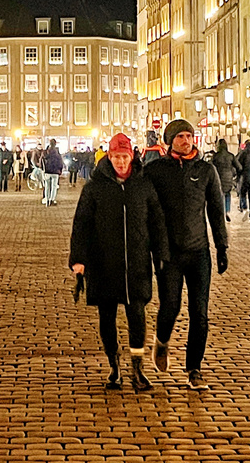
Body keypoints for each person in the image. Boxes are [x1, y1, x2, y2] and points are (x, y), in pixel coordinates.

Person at [70, 133, 168, 391]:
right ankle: (114, 366)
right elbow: (81, 224)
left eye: (125, 157)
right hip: (103, 263)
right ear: (109, 157)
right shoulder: (94, 187)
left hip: (136, 263)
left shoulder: (143, 185)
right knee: (107, 317)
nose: (122, 162)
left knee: (137, 314)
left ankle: (137, 368)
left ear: (132, 157)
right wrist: (78, 260)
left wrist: (161, 257)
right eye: (117, 157)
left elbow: (157, 223)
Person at [145, 118, 226, 391]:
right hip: (169, 253)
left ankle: (194, 369)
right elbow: (147, 212)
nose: (185, 140)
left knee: (200, 314)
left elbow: (215, 211)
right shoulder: (156, 170)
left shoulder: (205, 170)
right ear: (170, 142)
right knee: (170, 306)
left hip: (198, 250)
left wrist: (222, 246)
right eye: (180, 137)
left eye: (189, 136)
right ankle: (162, 341)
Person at [211, 138, 239, 222]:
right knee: (227, 194)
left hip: (218, 178)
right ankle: (227, 211)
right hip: (228, 178)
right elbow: (239, 167)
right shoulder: (230, 156)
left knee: (219, 195)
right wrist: (235, 175)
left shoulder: (216, 156)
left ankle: (221, 212)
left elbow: (211, 167)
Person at [42, 139, 64, 206]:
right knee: (54, 186)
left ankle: (47, 199)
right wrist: (60, 170)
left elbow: (42, 161)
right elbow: (60, 162)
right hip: (55, 172)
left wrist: (43, 169)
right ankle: (52, 199)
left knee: (47, 186)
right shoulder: (57, 153)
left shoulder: (46, 152)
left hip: (47, 171)